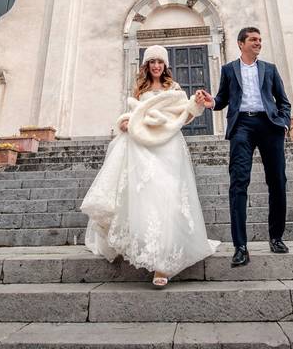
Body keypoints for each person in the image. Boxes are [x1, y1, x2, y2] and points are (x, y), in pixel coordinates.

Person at [80, 45, 220, 287]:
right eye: (152, 61)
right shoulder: (140, 89)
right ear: (146, 65)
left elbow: (184, 117)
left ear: (165, 65)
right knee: (147, 197)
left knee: (168, 197)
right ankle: (150, 253)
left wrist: (195, 104)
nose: (156, 65)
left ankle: (162, 264)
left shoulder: (173, 89)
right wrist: (125, 122)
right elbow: (131, 114)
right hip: (142, 147)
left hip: (168, 147)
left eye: (160, 62)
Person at [196, 26, 291, 267]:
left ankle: (276, 237)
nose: (258, 43)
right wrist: (211, 103)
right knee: (238, 183)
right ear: (241, 44)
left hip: (270, 126)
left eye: (259, 40)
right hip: (242, 127)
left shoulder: (269, 69)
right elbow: (223, 99)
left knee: (278, 181)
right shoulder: (229, 70)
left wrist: (284, 124)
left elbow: (283, 101)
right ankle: (240, 246)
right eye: (253, 40)